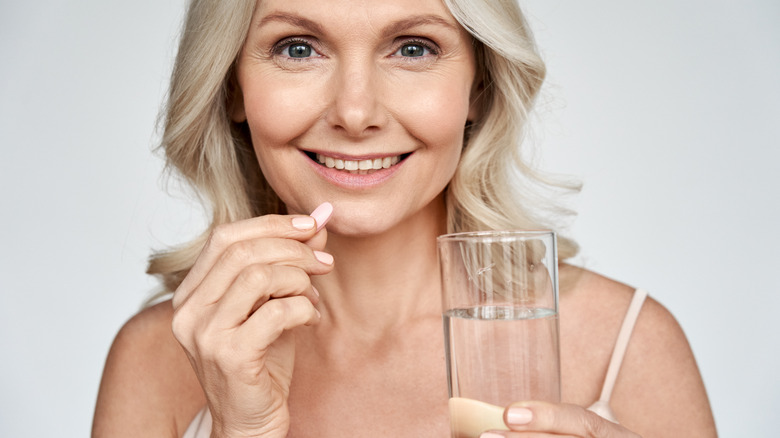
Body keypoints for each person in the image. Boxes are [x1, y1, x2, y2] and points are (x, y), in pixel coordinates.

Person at [92, 0, 717, 436]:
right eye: (298, 48)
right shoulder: (157, 360)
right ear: (232, 87)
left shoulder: (625, 346)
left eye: (413, 48)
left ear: (479, 87)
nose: (356, 111)